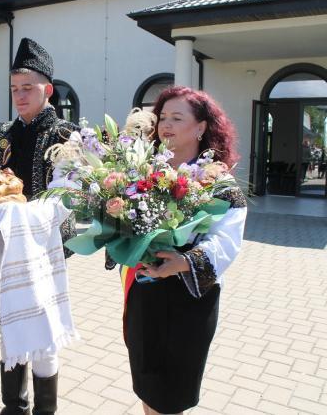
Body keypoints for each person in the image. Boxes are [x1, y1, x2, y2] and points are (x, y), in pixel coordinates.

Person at [123, 86, 247, 415]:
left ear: (202, 127)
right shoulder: (143, 173)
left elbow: (227, 241)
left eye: (178, 118)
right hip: (145, 297)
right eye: (163, 117)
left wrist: (181, 262)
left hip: (187, 304)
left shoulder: (218, 183)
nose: (166, 125)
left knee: (172, 395)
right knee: (148, 386)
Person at [0, 37, 79, 415]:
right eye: (14, 89)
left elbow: (68, 194)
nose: (20, 96)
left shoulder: (65, 135)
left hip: (44, 247)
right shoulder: (0, 134)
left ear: (47, 90)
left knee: (42, 329)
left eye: (28, 88)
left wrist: (26, 217)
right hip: (3, 245)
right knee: (10, 326)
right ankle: (13, 407)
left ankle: (45, 410)